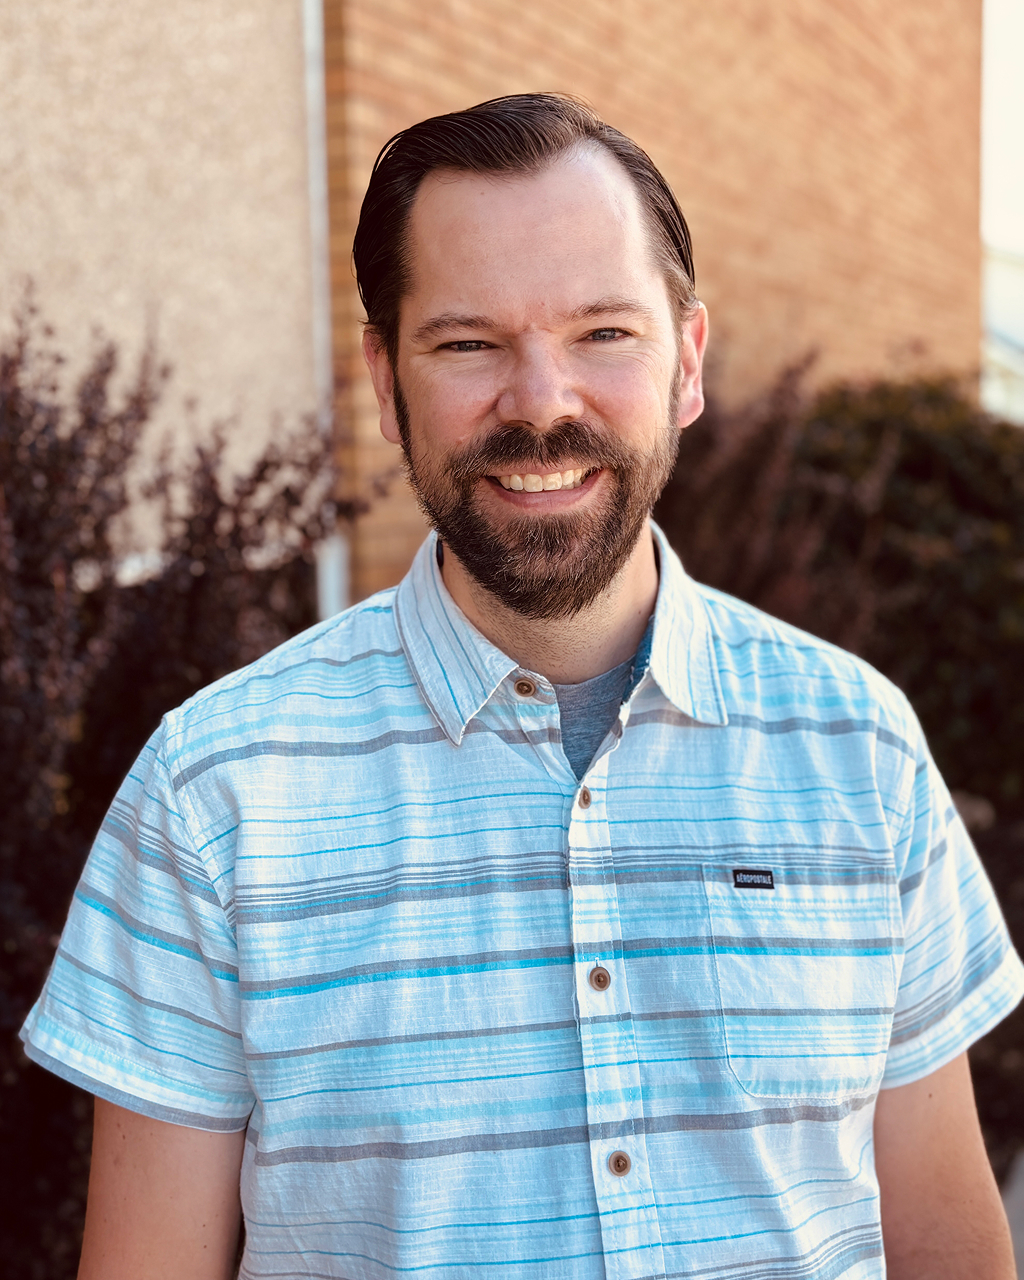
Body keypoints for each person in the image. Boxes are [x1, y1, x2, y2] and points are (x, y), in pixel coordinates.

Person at [21, 94, 1023, 1280]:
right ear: (385, 382)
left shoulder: (860, 746)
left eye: (604, 331)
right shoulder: (212, 793)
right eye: (467, 343)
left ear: (686, 361)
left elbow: (949, 1249)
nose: (542, 401)